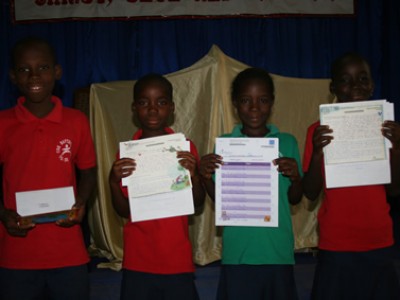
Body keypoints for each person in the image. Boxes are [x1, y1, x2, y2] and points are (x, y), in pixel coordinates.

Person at [0, 37, 97, 300]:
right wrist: (3, 213)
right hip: (16, 253)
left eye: (42, 67)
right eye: (24, 69)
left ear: (57, 72)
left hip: (67, 251)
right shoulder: (3, 124)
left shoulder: (76, 121)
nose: (33, 76)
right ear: (13, 76)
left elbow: (88, 170)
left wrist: (82, 202)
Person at [302, 52, 400, 300]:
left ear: (372, 85)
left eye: (362, 78)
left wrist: (396, 148)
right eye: (346, 80)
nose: (355, 85)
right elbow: (310, 192)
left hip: (379, 240)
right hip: (337, 243)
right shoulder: (317, 131)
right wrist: (317, 153)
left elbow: (394, 190)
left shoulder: (387, 130)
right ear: (333, 87)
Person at [199, 67, 303, 300]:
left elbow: (295, 198)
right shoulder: (225, 145)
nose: (254, 108)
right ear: (235, 103)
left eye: (262, 100)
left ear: (272, 102)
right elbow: (221, 199)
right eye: (246, 100)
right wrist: (205, 177)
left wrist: (296, 178)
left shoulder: (287, 142)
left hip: (277, 252)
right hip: (238, 253)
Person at [108, 73, 205, 300]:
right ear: (134, 108)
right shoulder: (127, 155)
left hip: (176, 258)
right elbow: (123, 210)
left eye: (161, 102)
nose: (153, 110)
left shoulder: (185, 148)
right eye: (144, 103)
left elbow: (198, 203)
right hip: (138, 259)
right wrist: (112, 181)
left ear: (171, 107)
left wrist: (196, 177)